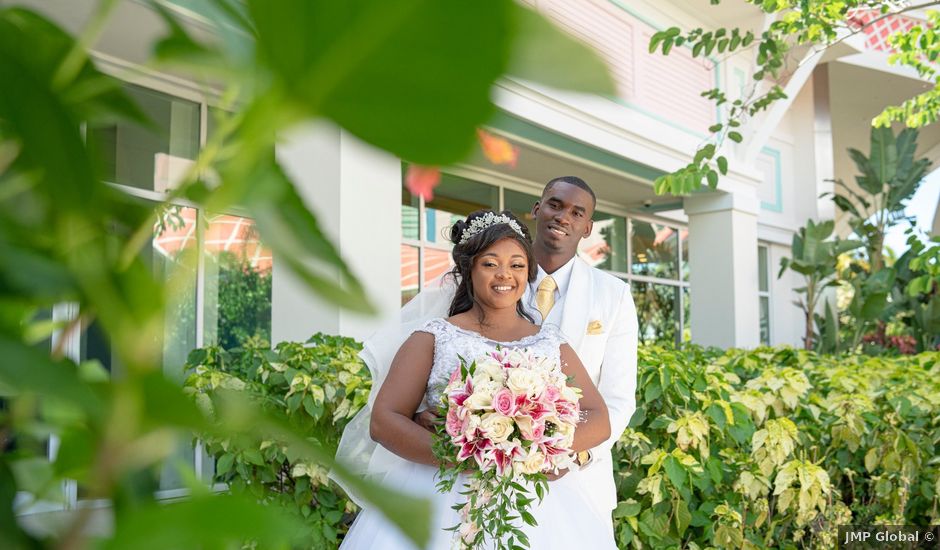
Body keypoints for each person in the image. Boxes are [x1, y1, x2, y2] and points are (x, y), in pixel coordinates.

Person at [339, 210, 616, 549]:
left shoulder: (550, 340)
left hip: (538, 501)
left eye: (516, 264)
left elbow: (598, 417)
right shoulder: (433, 337)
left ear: (528, 271)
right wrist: (472, 454)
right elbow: (384, 421)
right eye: (490, 263)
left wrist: (540, 451)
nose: (505, 275)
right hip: (440, 493)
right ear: (468, 268)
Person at [414, 176, 639, 535]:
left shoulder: (612, 295)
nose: (563, 217)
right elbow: (438, 358)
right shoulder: (487, 277)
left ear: (587, 227)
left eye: (576, 212)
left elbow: (618, 398)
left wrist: (572, 453)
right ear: (537, 208)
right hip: (466, 475)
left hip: (575, 480)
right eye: (555, 204)